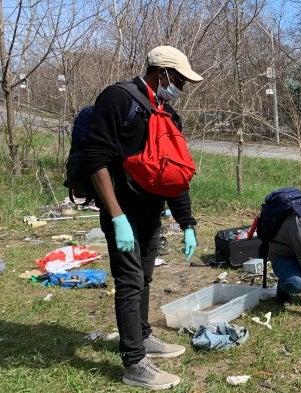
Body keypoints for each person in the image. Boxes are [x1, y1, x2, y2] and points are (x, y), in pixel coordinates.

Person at [81, 46, 202, 390]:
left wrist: (187, 223)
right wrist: (116, 215)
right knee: (130, 281)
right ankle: (134, 362)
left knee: (145, 277)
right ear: (161, 72)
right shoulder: (117, 99)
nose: (181, 86)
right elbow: (96, 158)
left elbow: (174, 174)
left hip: (151, 212)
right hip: (122, 210)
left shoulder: (166, 113)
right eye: (179, 79)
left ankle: (144, 336)